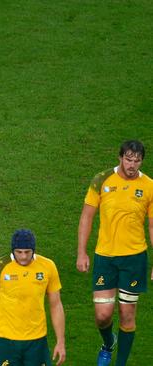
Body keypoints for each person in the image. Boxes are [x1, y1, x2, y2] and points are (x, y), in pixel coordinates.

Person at [76, 140, 153, 366]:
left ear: (142, 161)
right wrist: (82, 252)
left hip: (134, 258)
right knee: (103, 315)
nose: (132, 165)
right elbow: (87, 217)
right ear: (120, 157)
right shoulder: (102, 180)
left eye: (137, 161)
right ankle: (108, 342)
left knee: (127, 316)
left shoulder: (149, 185)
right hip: (105, 258)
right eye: (128, 159)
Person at [0, 229, 66, 366]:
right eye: (19, 252)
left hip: (37, 341)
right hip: (6, 340)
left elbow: (56, 305)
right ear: (13, 250)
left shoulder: (48, 266)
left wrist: (60, 342)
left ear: (33, 250)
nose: (23, 256)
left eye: (27, 252)